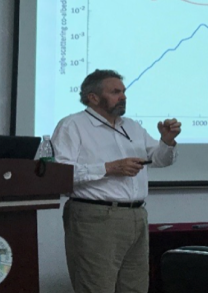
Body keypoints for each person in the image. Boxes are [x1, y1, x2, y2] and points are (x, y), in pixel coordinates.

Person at [51, 69, 181, 293]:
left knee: (135, 287)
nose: (123, 97)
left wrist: (167, 142)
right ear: (93, 97)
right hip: (95, 217)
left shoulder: (131, 126)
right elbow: (59, 174)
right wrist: (108, 168)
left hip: (136, 216)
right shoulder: (73, 125)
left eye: (123, 92)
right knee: (97, 287)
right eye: (115, 92)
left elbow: (159, 160)